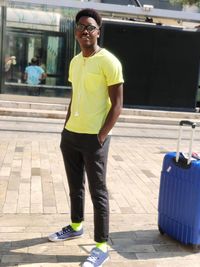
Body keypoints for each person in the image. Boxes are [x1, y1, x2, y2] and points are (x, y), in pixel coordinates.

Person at [48, 8, 124, 267]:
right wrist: (65, 126)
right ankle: (75, 225)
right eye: (80, 27)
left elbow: (117, 105)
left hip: (94, 138)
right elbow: (75, 95)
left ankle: (102, 247)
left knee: (98, 191)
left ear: (98, 31)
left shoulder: (109, 62)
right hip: (71, 134)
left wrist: (101, 136)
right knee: (75, 186)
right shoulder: (74, 61)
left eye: (90, 27)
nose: (85, 31)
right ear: (75, 33)